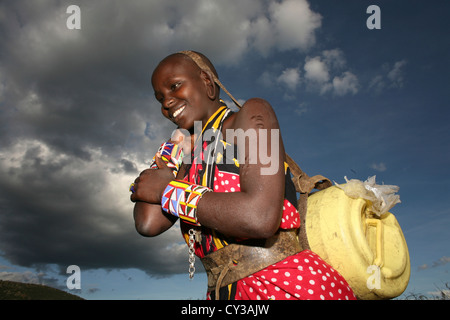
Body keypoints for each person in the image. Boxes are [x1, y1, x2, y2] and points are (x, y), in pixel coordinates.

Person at [130, 51, 356, 300]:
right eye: (159, 98)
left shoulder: (249, 116)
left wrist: (167, 190)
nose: (166, 103)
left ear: (207, 82)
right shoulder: (187, 156)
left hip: (285, 285)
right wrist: (172, 155)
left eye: (174, 86)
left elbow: (260, 217)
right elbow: (148, 224)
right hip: (223, 293)